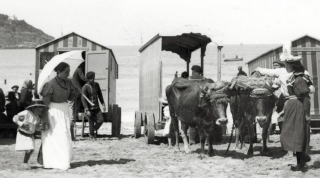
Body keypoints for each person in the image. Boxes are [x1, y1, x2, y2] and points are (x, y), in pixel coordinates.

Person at [40, 62, 80, 170]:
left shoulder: (68, 83)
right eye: (66, 72)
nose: (68, 74)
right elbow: (45, 103)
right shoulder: (50, 84)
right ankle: (55, 162)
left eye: (69, 71)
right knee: (56, 136)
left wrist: (75, 91)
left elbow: (70, 98)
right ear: (59, 72)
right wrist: (44, 119)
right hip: (53, 111)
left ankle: (64, 160)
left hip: (64, 110)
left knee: (65, 135)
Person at [12, 99, 48, 170]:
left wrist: (40, 128)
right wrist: (22, 124)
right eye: (38, 109)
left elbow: (35, 127)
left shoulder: (37, 117)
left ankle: (25, 162)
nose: (40, 111)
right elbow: (15, 118)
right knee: (29, 148)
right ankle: (24, 163)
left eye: (41, 110)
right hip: (23, 134)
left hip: (30, 134)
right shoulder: (26, 113)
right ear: (33, 108)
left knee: (31, 149)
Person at [82, 71, 106, 140]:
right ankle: (91, 135)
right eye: (90, 78)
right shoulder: (85, 87)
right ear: (88, 79)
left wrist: (103, 104)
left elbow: (100, 95)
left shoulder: (96, 85)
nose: (92, 79)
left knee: (101, 120)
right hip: (89, 109)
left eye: (93, 78)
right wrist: (87, 110)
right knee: (91, 122)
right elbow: (83, 100)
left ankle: (94, 129)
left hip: (97, 108)